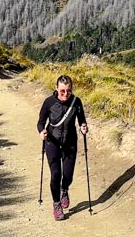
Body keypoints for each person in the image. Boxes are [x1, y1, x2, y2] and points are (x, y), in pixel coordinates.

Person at [37, 74, 88, 221]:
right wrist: (42, 131)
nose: (66, 94)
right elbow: (40, 122)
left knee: (68, 175)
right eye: (62, 91)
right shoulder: (49, 102)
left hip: (70, 142)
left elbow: (82, 120)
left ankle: (64, 190)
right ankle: (56, 204)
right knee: (56, 174)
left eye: (69, 91)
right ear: (56, 89)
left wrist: (84, 127)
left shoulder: (76, 102)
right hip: (52, 141)